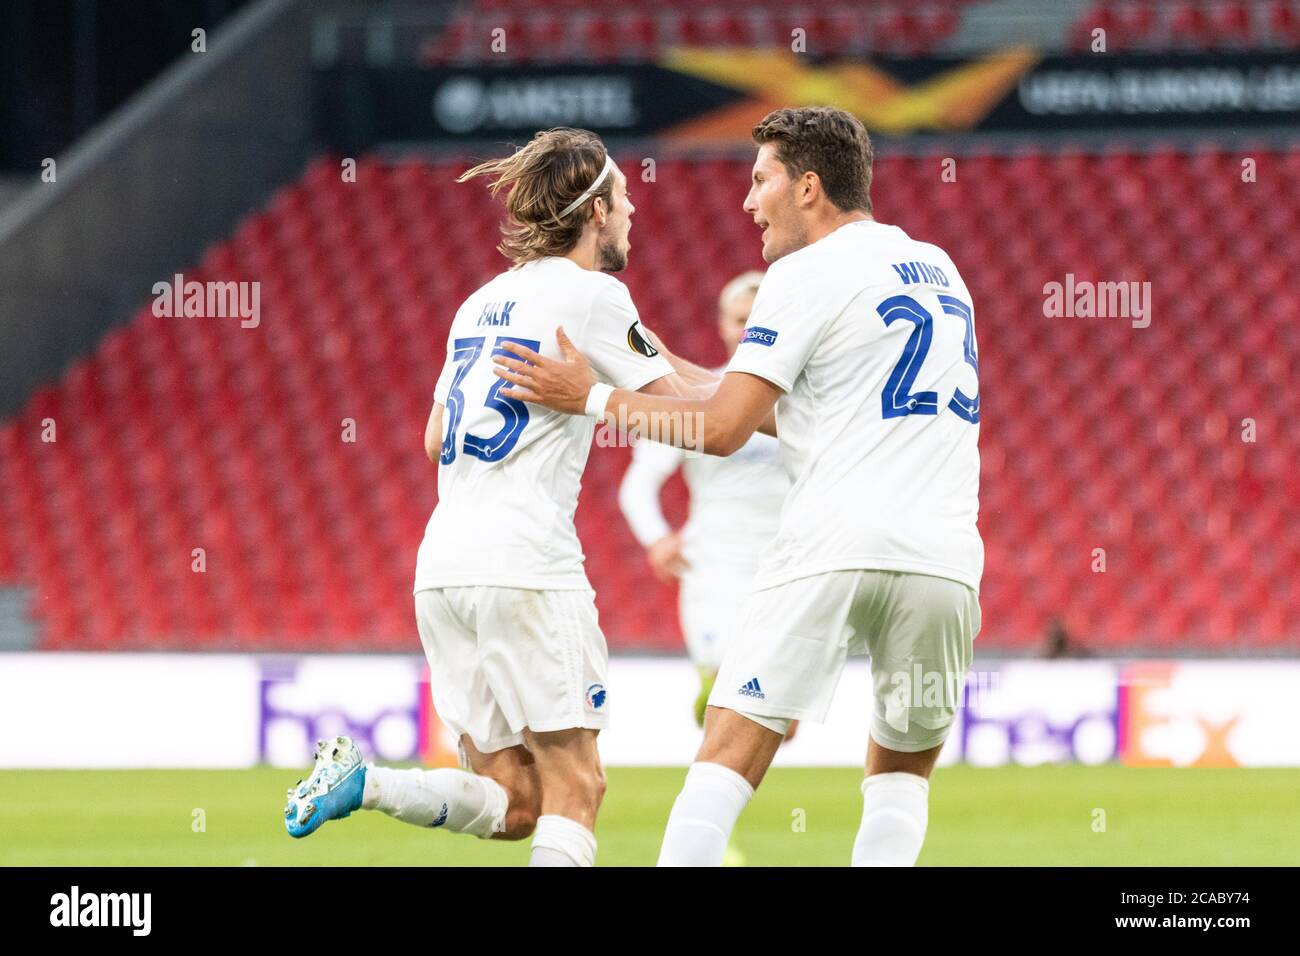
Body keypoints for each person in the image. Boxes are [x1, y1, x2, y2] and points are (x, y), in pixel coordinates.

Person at [491, 106, 983, 867]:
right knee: (901, 777)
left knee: (723, 760)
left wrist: (590, 397)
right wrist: (657, 368)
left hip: (831, 544)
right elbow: (806, 412)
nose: (749, 203)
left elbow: (719, 429)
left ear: (809, 188)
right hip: (945, 559)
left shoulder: (802, 273)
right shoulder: (941, 268)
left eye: (762, 181)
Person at [281, 127, 701, 866]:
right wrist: (597, 398)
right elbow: (690, 418)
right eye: (628, 198)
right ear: (597, 209)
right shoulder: (595, 294)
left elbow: (433, 436)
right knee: (578, 788)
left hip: (444, 568)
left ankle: (364, 784)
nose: (634, 213)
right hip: (527, 565)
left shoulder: (479, 304)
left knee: (515, 805)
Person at [617, 271, 792, 727]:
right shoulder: (694, 397)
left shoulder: (802, 400)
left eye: (758, 320)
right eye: (739, 319)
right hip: (714, 566)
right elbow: (638, 483)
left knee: (781, 720)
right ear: (722, 325)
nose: (747, 330)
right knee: (726, 704)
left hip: (785, 562)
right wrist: (657, 538)